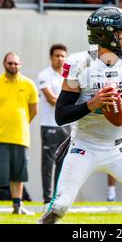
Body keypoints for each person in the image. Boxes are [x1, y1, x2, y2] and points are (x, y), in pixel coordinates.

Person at [38, 6, 122, 224]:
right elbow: (61, 115)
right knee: (59, 207)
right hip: (83, 146)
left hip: (119, 147)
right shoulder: (78, 63)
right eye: (120, 32)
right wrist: (92, 103)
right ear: (102, 34)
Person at [0, 52, 39, 215]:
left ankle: (18, 205)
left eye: (16, 63)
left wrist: (20, 124)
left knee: (18, 174)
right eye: (10, 63)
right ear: (4, 63)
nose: (13, 66)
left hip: (20, 138)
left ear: (20, 64)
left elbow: (33, 110)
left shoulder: (29, 85)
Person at [37, 44, 71, 209]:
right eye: (57, 55)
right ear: (51, 57)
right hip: (49, 125)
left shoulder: (69, 76)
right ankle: (46, 200)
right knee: (48, 164)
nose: (60, 59)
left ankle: (57, 199)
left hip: (66, 126)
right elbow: (51, 100)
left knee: (63, 164)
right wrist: (68, 104)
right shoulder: (44, 75)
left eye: (63, 56)